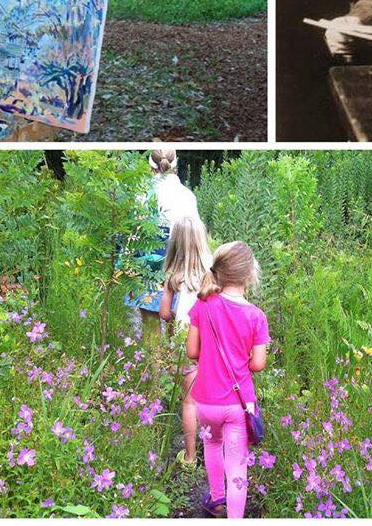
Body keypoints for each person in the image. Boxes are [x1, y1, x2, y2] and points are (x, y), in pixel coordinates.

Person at [189, 241, 270, 518]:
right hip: (239, 403)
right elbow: (258, 363)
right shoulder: (256, 316)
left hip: (206, 401)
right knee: (237, 466)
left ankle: (216, 499)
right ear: (249, 275)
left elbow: (192, 351)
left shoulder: (203, 305)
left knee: (211, 445)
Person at [158, 216, 212, 468]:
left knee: (189, 401)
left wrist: (171, 326)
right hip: (212, 346)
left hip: (185, 348)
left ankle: (190, 457)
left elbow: (164, 313)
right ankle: (215, 449)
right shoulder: (212, 278)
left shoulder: (172, 278)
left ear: (175, 245)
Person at [127, 149, 199, 331]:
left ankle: (152, 357)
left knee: (150, 323)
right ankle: (174, 356)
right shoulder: (187, 196)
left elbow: (133, 234)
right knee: (177, 313)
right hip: (179, 257)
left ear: (150, 165)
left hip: (147, 261)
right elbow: (195, 233)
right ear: (176, 163)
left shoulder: (140, 195)